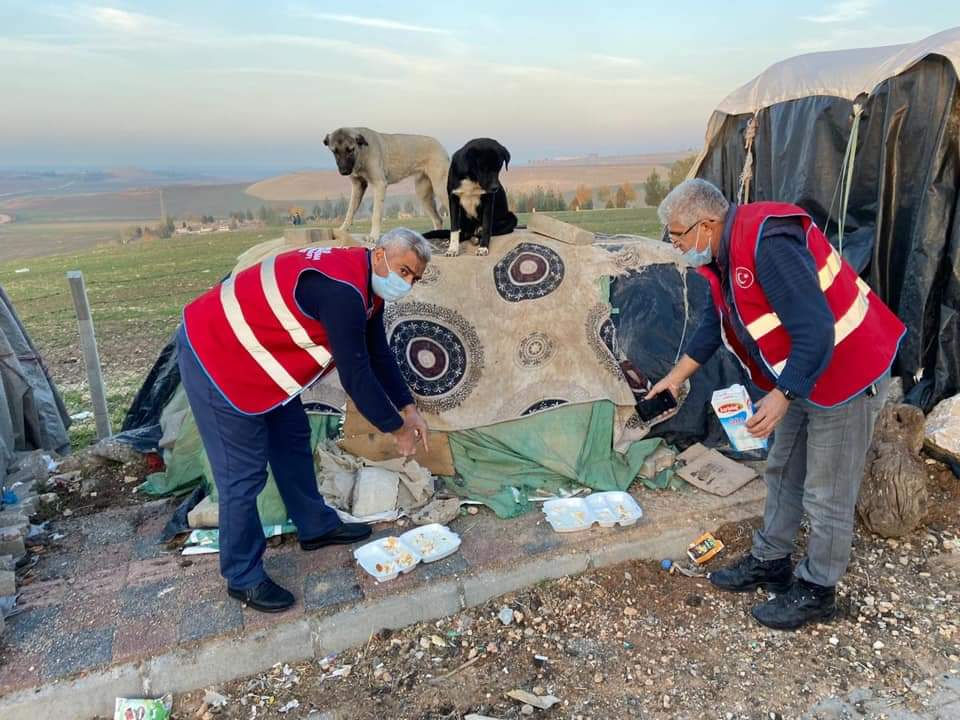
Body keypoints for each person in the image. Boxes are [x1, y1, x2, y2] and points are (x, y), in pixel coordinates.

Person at [649, 179, 905, 630]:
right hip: (804, 371)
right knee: (782, 468)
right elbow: (715, 324)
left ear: (706, 225)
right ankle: (771, 560)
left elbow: (816, 328)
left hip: (847, 370)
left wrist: (784, 394)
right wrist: (674, 378)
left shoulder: (768, 245)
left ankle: (818, 589)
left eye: (677, 236)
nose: (677, 246)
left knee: (827, 490)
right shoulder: (725, 257)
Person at [178, 228, 432, 613]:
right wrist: (397, 429)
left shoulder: (366, 284)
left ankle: (315, 526)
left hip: (256, 357)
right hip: (213, 349)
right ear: (380, 255)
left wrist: (408, 408)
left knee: (292, 434)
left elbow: (377, 352)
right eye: (404, 271)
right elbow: (356, 375)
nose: (407, 283)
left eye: (415, 278)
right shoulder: (343, 291)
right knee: (241, 473)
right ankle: (243, 576)